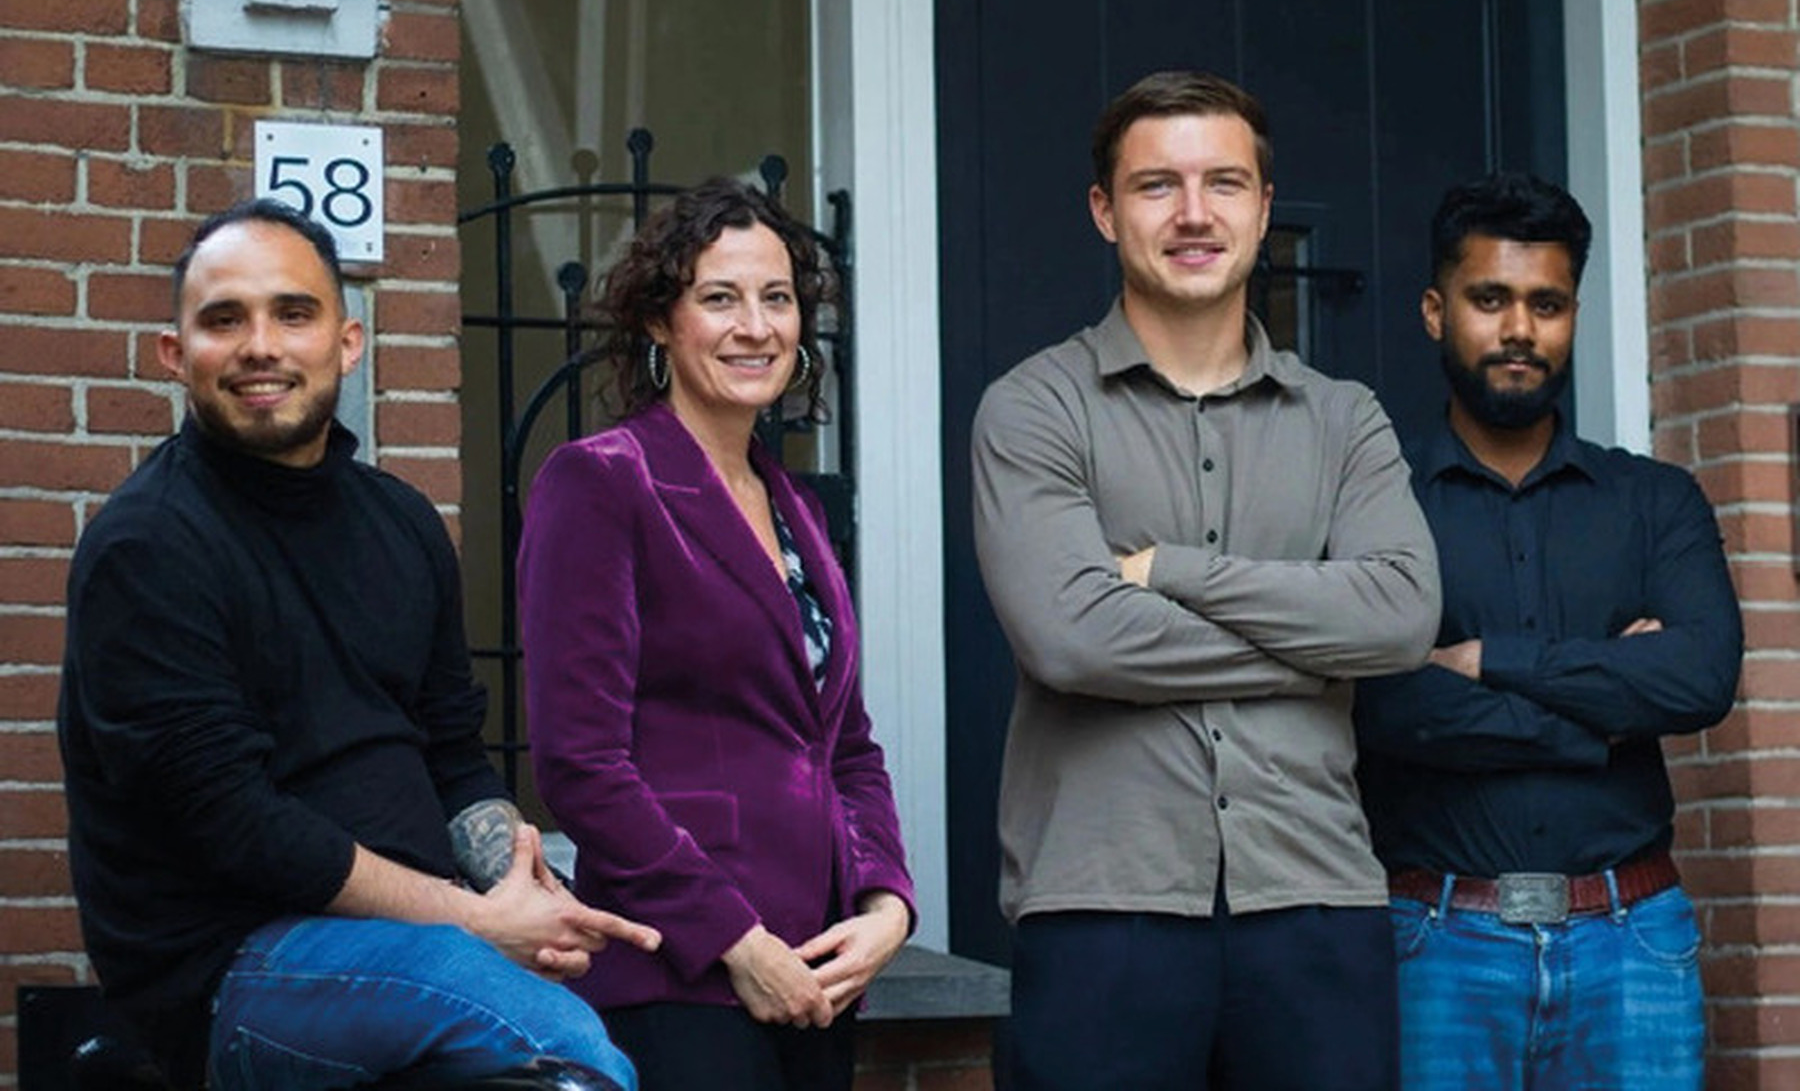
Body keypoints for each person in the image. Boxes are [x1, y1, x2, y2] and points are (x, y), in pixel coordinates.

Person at [57, 198, 660, 1091]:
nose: (261, 346)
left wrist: (521, 891)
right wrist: (470, 922)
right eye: (225, 320)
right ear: (175, 356)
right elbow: (235, 823)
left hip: (420, 944)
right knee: (559, 1052)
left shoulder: (402, 523)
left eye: (292, 313)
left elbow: (453, 756)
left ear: (348, 343)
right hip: (236, 966)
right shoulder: (145, 547)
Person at [971, 69, 1441, 1090]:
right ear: (1105, 211)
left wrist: (1168, 573)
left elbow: (1402, 617)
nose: (1194, 214)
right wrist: (1315, 652)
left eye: (1223, 183)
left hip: (1317, 902)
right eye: (1157, 185)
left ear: (1263, 209)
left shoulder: (1344, 419)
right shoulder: (1035, 408)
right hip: (1101, 907)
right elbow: (1073, 639)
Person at [517, 177, 915, 1091]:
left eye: (777, 298)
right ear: (661, 321)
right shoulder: (602, 482)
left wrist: (886, 906)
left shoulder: (796, 505)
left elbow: (847, 745)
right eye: (721, 298)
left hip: (818, 969)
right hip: (682, 977)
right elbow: (581, 765)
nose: (756, 327)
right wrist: (735, 939)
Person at [1353, 172, 1742, 1089]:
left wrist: (1490, 660)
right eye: (1490, 299)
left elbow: (1699, 678)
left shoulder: (1656, 501)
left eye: (1547, 303)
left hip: (1633, 946)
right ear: (1435, 312)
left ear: (1572, 316)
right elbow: (1381, 705)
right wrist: (1604, 712)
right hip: (1436, 945)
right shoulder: (1374, 504)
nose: (1520, 328)